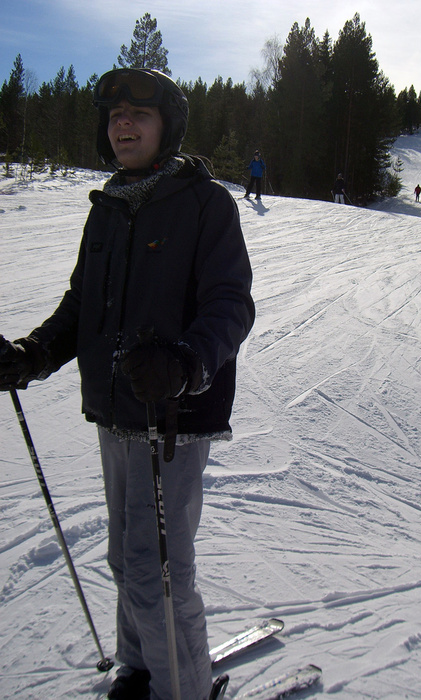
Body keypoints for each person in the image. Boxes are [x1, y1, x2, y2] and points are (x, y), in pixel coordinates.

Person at [0, 68, 255, 700]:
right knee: (126, 559)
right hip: (115, 411)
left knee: (156, 570)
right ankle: (140, 667)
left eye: (138, 115)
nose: (123, 124)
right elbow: (81, 304)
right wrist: (34, 354)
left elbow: (230, 305)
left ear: (167, 126)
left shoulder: (206, 203)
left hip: (172, 418)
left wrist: (185, 364)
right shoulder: (108, 209)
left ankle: (183, 689)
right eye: (114, 116)